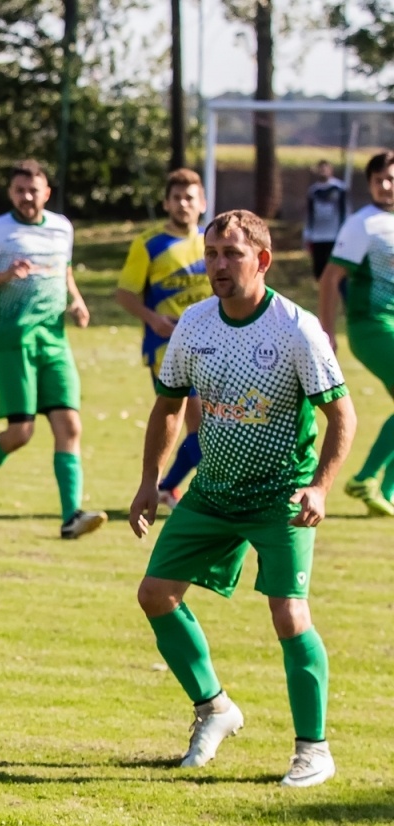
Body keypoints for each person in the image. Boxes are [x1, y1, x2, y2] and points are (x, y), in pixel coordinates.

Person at [130, 210, 355, 788]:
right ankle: (214, 708)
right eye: (211, 254)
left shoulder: (297, 329)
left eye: (232, 253)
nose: (219, 265)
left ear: (263, 260)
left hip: (281, 495)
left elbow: (342, 416)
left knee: (289, 614)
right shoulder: (194, 324)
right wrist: (150, 481)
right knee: (155, 594)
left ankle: (314, 750)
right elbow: (168, 406)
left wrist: (320, 487)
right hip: (213, 491)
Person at [0, 159, 106, 538]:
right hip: (13, 342)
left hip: (54, 342)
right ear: (10, 193)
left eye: (33, 190)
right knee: (21, 433)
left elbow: (64, 270)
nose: (26, 197)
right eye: (19, 190)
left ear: (46, 193)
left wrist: (76, 301)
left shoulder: (61, 227)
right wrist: (4, 275)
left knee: (69, 425)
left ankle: (71, 517)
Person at [113, 168, 212, 509]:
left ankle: (167, 488)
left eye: (190, 198)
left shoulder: (212, 243)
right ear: (166, 203)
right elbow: (125, 294)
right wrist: (154, 319)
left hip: (211, 347)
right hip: (167, 349)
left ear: (202, 203)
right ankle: (174, 489)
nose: (183, 204)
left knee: (207, 429)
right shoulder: (150, 244)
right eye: (177, 198)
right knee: (202, 427)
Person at [317, 149, 394, 517]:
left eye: (391, 179)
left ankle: (385, 493)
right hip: (371, 325)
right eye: (380, 180)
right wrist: (327, 331)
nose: (386, 186)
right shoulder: (362, 224)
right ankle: (365, 479)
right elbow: (330, 278)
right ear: (370, 184)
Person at [305, 159, 350, 280]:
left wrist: (345, 232)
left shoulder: (339, 188)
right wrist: (308, 234)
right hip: (317, 236)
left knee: (335, 268)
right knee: (319, 270)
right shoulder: (313, 191)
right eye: (320, 169)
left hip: (334, 236)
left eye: (325, 169)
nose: (323, 172)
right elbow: (310, 214)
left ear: (331, 170)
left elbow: (345, 211)